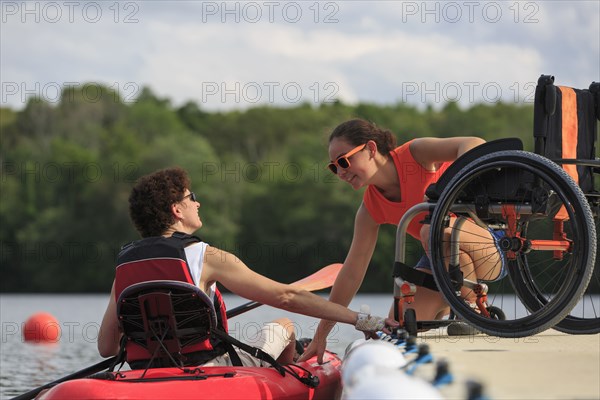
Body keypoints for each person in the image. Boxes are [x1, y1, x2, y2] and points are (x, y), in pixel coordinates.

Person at [98, 167, 397, 368]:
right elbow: (287, 297)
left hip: (146, 372)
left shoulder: (124, 267)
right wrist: (361, 320)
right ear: (176, 210)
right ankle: (288, 375)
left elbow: (106, 347)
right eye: (192, 198)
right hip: (208, 369)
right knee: (284, 325)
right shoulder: (206, 256)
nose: (197, 203)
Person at [299, 119, 504, 363]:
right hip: (440, 257)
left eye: (344, 161)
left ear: (371, 149)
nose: (341, 172)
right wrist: (321, 335)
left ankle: (469, 306)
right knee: (398, 325)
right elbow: (352, 273)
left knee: (432, 229)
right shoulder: (369, 210)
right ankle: (450, 301)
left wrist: (447, 193)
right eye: (334, 167)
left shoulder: (415, 154)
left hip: (492, 242)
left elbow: (473, 143)